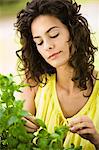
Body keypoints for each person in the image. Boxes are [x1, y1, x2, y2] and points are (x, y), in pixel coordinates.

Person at [15, 0, 99, 149]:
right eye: (39, 42)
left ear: (73, 31)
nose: (47, 46)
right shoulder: (33, 84)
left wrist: (97, 140)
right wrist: (19, 128)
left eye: (54, 34)